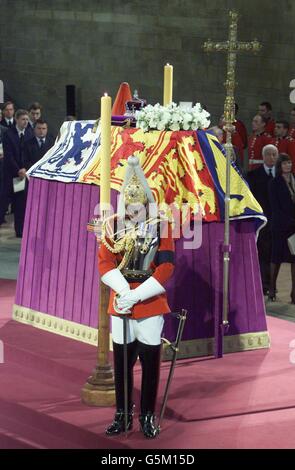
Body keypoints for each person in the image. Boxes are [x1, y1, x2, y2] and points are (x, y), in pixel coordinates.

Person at [98, 156, 175, 439]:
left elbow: (166, 266)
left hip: (149, 301)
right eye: (129, 209)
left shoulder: (161, 226)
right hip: (121, 301)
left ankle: (147, 417)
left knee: (151, 364)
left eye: (138, 209)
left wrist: (137, 294)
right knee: (121, 364)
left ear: (146, 204)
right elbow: (105, 263)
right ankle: (123, 415)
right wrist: (124, 293)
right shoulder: (112, 226)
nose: (133, 214)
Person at [247, 144, 278, 294]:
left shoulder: (283, 174)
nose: (272, 157)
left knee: (277, 256)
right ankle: (264, 285)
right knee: (264, 255)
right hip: (263, 221)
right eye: (269, 154)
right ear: (264, 156)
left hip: (279, 223)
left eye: (274, 155)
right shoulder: (253, 176)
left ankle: (273, 286)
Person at [269, 154, 295, 303]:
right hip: (280, 226)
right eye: (285, 163)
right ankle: (272, 289)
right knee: (276, 258)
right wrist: (289, 221)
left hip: (294, 227)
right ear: (280, 166)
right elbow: (275, 208)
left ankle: (294, 294)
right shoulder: (274, 183)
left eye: (290, 163)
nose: (288, 166)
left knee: (294, 259)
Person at [0, 109, 32, 237]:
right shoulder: (8, 134)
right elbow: (9, 155)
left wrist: (25, 169)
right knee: (6, 201)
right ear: (17, 120)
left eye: (26, 120)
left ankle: (21, 230)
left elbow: (29, 154)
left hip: (24, 174)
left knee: (21, 203)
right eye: (23, 119)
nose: (25, 122)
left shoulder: (29, 133)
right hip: (12, 173)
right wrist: (18, 169)